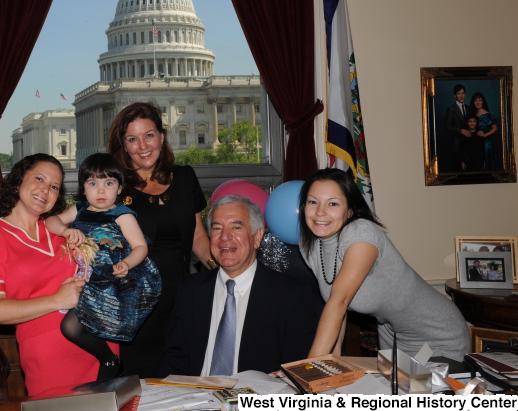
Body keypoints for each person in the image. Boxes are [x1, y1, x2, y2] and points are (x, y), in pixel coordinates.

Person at [0, 153, 118, 396]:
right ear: (18, 181)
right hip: (48, 359)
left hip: (102, 347)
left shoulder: (64, 230)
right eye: (39, 179)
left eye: (54, 186)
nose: (45, 190)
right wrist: (58, 300)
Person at [299, 168, 470, 361]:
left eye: (333, 203)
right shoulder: (310, 245)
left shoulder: (361, 232)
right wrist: (332, 362)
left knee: (420, 391)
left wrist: (309, 368)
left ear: (350, 211)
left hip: (438, 336)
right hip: (393, 336)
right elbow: (337, 310)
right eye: (313, 202)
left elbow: (340, 301)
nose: (320, 212)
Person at [107, 102, 214, 377]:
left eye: (149, 135)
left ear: (162, 137)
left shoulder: (185, 177)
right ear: (123, 144)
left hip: (182, 299)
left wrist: (222, 265)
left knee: (183, 381)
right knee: (140, 383)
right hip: (137, 303)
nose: (143, 145)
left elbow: (198, 236)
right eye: (132, 139)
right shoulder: (113, 187)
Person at [158, 195, 320, 376]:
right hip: (195, 397)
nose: (225, 237)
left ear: (257, 238)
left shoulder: (291, 295)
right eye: (217, 228)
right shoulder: (190, 289)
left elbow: (296, 370)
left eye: (236, 227)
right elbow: (173, 360)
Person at [45, 153, 162, 379]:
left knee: (70, 326)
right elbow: (50, 220)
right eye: (93, 183)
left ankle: (108, 360)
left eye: (108, 183)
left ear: (119, 189)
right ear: (83, 188)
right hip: (85, 277)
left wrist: (126, 263)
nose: (100, 191)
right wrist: (65, 230)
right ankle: (109, 361)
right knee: (71, 327)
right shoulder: (79, 209)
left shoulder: (122, 215)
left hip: (110, 280)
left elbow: (141, 247)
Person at [444, 84, 476, 171]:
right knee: (458, 171)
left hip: (469, 145)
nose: (461, 96)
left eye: (463, 93)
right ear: (455, 95)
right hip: (457, 145)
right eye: (459, 93)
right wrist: (460, 130)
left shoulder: (469, 108)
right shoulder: (451, 109)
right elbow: (447, 126)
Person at [471, 92, 499, 170]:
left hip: (486, 143)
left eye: (480, 100)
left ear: (483, 101)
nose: (478, 102)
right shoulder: (472, 113)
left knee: (487, 165)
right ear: (473, 102)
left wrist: (485, 134)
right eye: (476, 100)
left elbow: (495, 128)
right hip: (475, 142)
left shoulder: (488, 114)